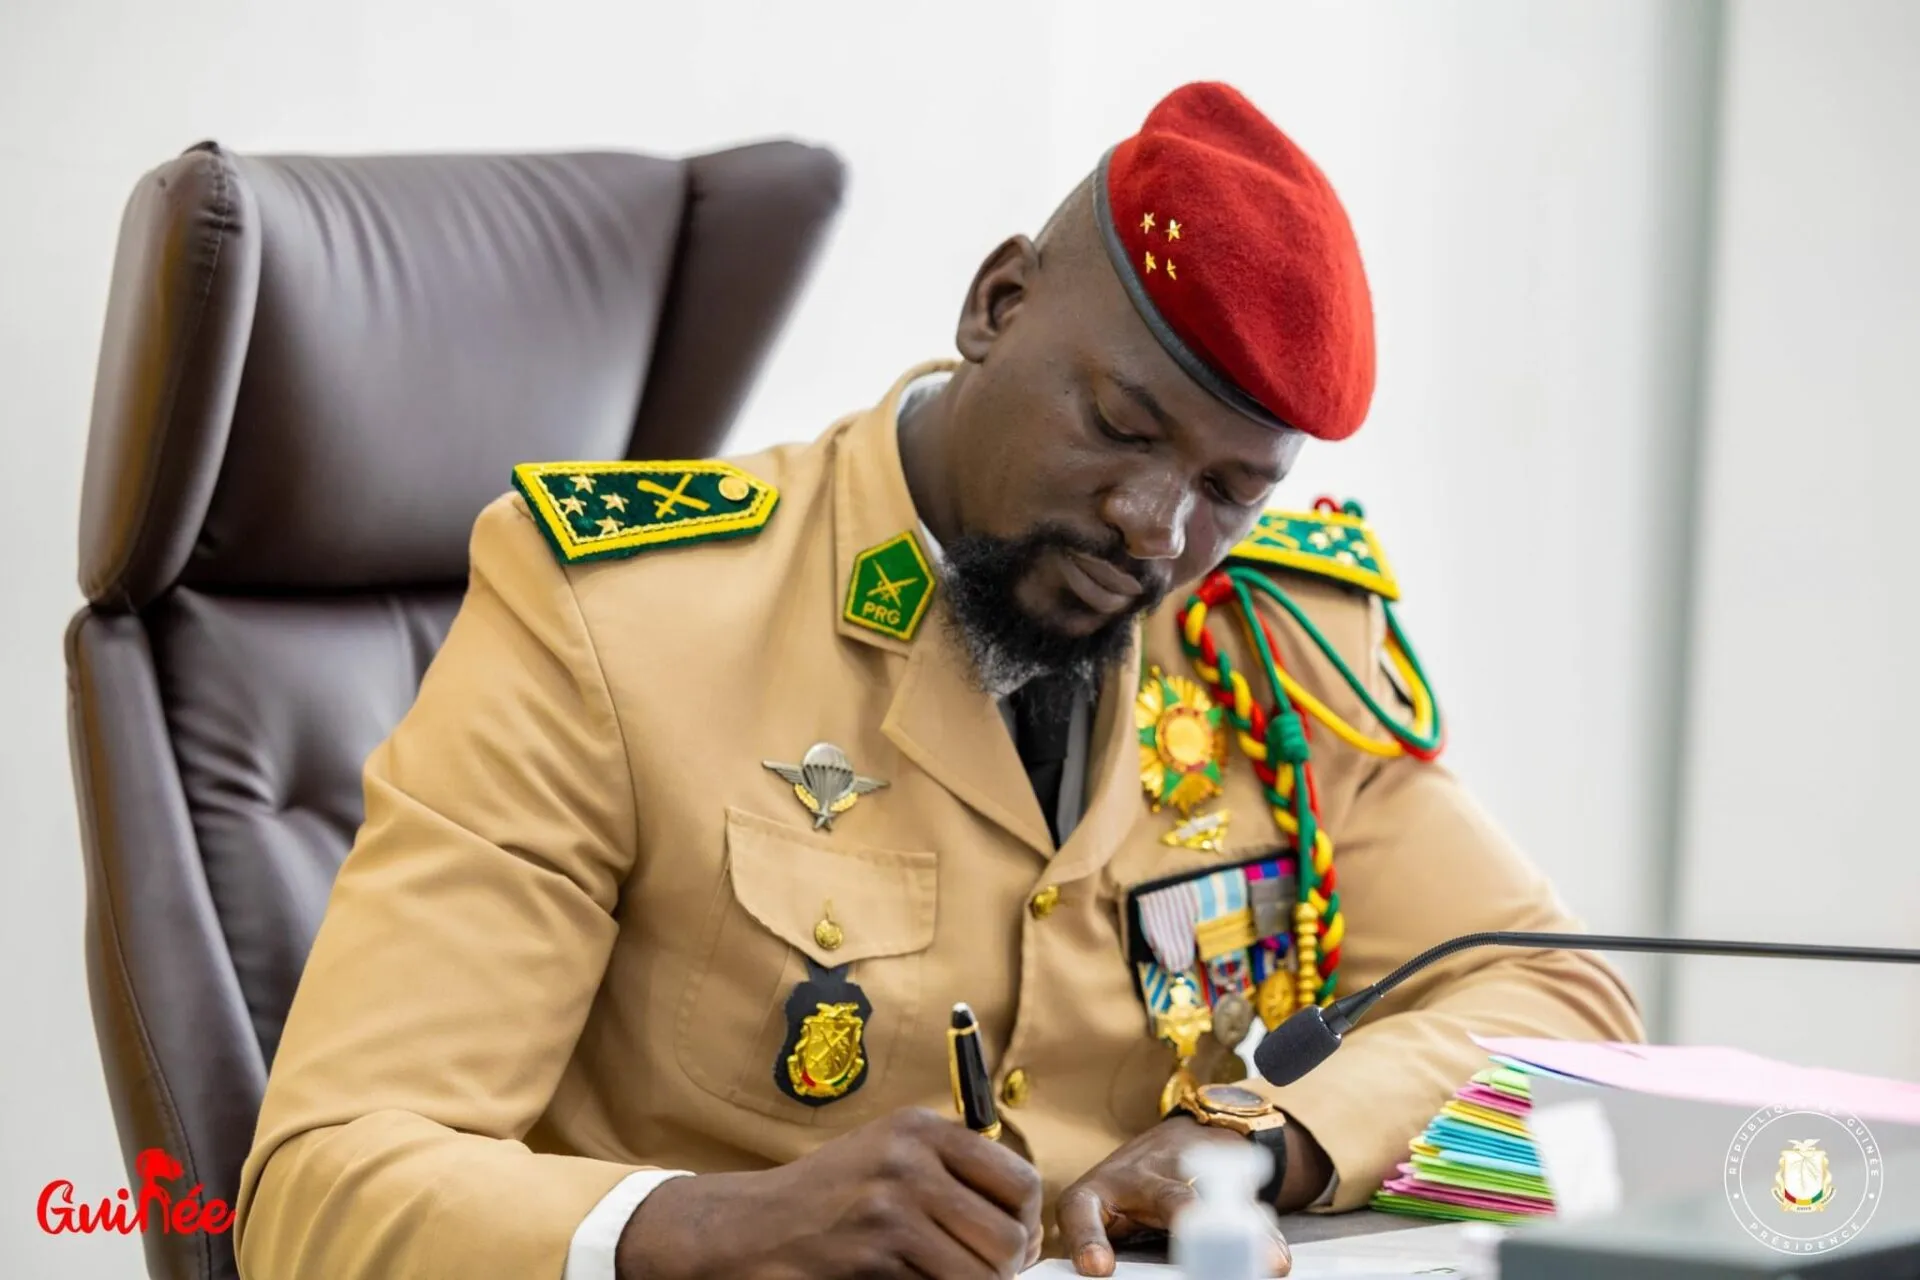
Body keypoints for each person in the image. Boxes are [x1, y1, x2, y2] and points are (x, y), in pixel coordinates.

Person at [233, 82, 1641, 1279]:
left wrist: (1263, 1144)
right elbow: (319, 1185)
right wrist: (711, 1226)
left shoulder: (1271, 647)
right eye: (1119, 424)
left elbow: (1568, 1019)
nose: (1155, 530)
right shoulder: (623, 619)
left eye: (1228, 489)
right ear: (996, 302)